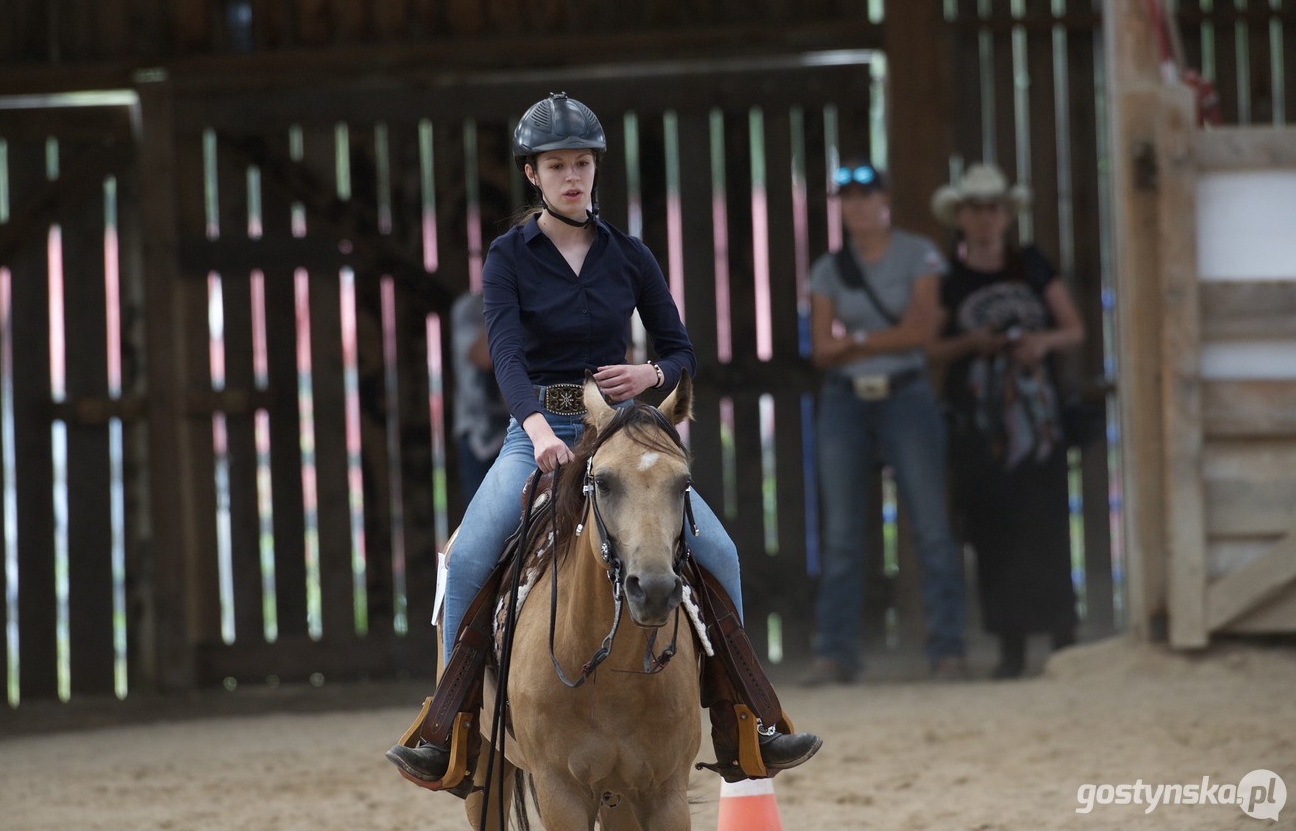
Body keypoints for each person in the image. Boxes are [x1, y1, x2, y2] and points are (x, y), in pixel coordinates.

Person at [386, 92, 820, 789]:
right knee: (468, 555)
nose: (571, 177)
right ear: (533, 174)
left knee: (719, 553)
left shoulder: (630, 254)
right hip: (540, 432)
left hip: (622, 433)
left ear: (594, 169)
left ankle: (745, 724)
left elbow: (680, 350)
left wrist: (650, 371)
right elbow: (504, 357)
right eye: (555, 165)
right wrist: (536, 431)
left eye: (581, 163)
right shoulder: (507, 256)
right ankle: (448, 731)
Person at [800, 160, 967, 685]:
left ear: (884, 199)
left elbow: (921, 330)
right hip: (845, 400)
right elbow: (822, 350)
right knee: (842, 534)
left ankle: (948, 650)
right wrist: (873, 340)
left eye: (865, 195)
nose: (856, 206)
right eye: (846, 198)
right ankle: (836, 653)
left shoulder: (918, 253)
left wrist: (860, 341)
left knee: (932, 528)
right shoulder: (828, 268)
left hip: (906, 397)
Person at [927, 164, 1085, 679]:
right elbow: (933, 347)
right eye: (974, 208)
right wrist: (976, 345)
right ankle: (1011, 646)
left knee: (1049, 525)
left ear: (1006, 214)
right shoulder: (949, 279)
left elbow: (1073, 330)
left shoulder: (1033, 264)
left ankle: (1065, 636)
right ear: (961, 216)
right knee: (994, 531)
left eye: (993, 207)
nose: (985, 217)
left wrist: (1038, 344)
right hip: (980, 428)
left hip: (1038, 426)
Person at [449, 288, 509, 502]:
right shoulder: (469, 308)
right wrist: (504, 301)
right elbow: (484, 357)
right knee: (481, 514)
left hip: (523, 429)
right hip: (478, 436)